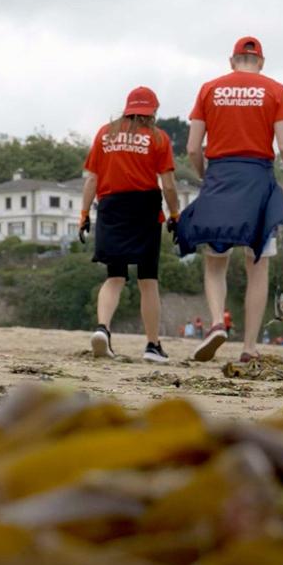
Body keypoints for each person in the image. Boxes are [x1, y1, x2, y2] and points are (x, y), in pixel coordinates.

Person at [175, 36, 283, 363]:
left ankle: (216, 323)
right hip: (257, 179)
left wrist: (205, 176)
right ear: (261, 62)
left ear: (232, 61)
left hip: (220, 176)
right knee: (258, 265)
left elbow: (192, 148)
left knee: (215, 262)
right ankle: (249, 347)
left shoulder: (209, 89)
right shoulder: (275, 90)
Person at [81, 86, 182, 363]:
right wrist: (175, 215)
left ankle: (103, 329)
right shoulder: (158, 138)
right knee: (148, 280)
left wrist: (83, 213)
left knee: (114, 277)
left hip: (111, 206)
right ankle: (152, 346)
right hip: (144, 209)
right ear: (152, 112)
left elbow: (91, 178)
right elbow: (169, 184)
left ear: (127, 109)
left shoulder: (105, 133)